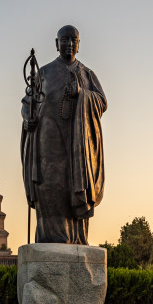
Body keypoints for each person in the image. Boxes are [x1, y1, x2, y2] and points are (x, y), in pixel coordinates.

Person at [21, 25, 107, 244]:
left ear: (79, 44)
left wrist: (81, 94)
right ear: (56, 43)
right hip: (48, 142)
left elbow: (102, 101)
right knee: (49, 187)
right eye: (65, 40)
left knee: (74, 188)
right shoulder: (44, 72)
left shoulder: (86, 74)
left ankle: (76, 239)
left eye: (74, 40)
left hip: (77, 144)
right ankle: (50, 239)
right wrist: (28, 118)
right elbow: (28, 101)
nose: (69, 44)